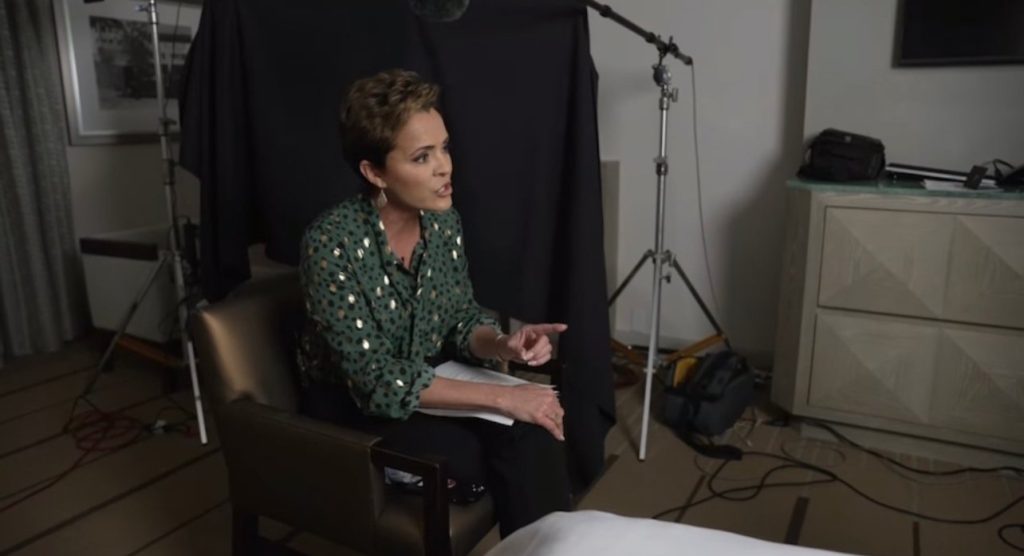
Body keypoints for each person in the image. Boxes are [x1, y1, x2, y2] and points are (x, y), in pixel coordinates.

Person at [296, 68, 572, 537]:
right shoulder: (331, 242)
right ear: (374, 172)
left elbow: (460, 319)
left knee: (535, 427)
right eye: (423, 157)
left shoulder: (444, 223)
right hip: (352, 400)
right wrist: (505, 396)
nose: (445, 167)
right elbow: (376, 381)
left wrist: (502, 343)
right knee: (471, 454)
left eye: (444, 148)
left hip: (429, 374)